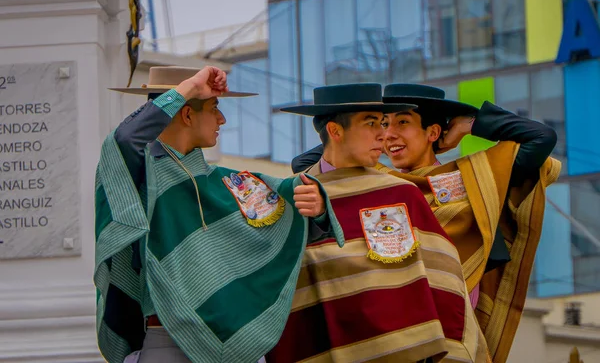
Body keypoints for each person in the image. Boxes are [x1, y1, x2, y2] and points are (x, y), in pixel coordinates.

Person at [291, 83, 561, 363]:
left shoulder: (473, 178)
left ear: (433, 132)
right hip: (389, 326)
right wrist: (354, 128)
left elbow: (540, 138)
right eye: (381, 124)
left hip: (450, 326)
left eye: (403, 122)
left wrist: (469, 125)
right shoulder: (374, 184)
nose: (389, 133)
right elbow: (305, 162)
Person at [94, 66, 343, 363]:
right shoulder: (140, 174)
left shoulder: (225, 183)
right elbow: (124, 141)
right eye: (214, 108)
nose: (222, 119)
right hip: (167, 343)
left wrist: (314, 205)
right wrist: (189, 88)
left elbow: (291, 216)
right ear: (186, 114)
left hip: (236, 349)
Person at [266, 84, 489, 363]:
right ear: (335, 132)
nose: (384, 134)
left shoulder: (401, 194)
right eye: (371, 123)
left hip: (403, 353)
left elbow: (443, 280)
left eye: (383, 123)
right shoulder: (292, 197)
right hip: (320, 347)